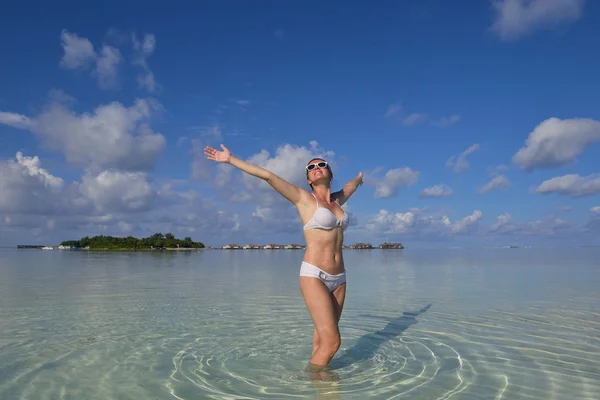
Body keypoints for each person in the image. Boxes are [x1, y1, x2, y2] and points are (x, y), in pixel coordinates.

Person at [204, 144, 363, 371]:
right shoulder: (303, 199)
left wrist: (359, 179)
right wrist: (230, 160)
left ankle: (317, 388)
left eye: (321, 165)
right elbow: (268, 176)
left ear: (329, 173)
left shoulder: (337, 202)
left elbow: (350, 187)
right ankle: (314, 381)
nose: (316, 168)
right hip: (314, 275)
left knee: (321, 337)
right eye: (311, 167)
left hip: (340, 279)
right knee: (333, 342)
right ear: (308, 179)